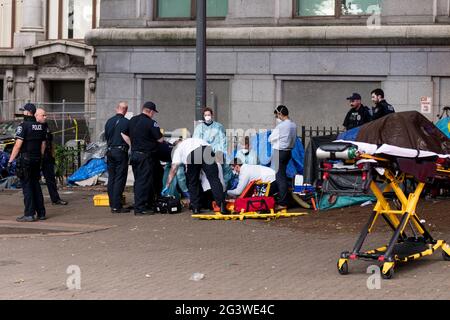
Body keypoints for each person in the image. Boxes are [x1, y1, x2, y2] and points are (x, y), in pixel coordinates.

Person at [162, 138, 226, 214]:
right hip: (206, 150)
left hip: (192, 155)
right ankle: (221, 206)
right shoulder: (194, 139)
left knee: (193, 182)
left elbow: (173, 169)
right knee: (214, 179)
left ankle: (196, 207)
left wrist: (167, 185)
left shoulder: (178, 150)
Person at [6, 103, 46, 222]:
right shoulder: (40, 126)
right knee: (36, 185)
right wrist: (40, 157)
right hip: (36, 159)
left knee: (27, 187)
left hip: (26, 160)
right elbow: (43, 144)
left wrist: (10, 160)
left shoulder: (23, 126)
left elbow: (18, 146)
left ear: (28, 112)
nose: (22, 113)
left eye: (24, 111)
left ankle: (29, 214)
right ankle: (41, 213)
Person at [129, 101, 164, 215]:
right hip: (145, 156)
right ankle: (140, 208)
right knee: (144, 182)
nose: (154, 114)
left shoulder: (132, 120)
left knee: (138, 180)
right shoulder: (151, 123)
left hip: (134, 154)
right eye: (154, 112)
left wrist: (133, 144)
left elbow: (123, 134)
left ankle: (140, 204)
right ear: (151, 111)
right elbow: (160, 139)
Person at [34, 108, 68, 206]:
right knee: (35, 180)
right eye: (43, 115)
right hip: (36, 156)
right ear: (36, 116)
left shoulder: (45, 126)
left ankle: (55, 199)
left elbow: (50, 141)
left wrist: (52, 155)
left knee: (51, 179)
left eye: (45, 115)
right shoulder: (33, 126)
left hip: (47, 156)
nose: (45, 117)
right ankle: (35, 200)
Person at [268, 105, 297, 210]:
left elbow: (270, 138)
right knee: (282, 175)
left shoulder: (281, 126)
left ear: (280, 114)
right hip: (288, 151)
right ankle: (280, 199)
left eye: (277, 115)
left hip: (279, 152)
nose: (277, 117)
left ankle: (282, 202)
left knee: (280, 177)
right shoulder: (293, 125)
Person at [104, 101, 131, 213]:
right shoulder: (127, 122)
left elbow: (106, 136)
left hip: (110, 151)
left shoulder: (109, 121)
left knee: (112, 178)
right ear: (125, 110)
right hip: (120, 152)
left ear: (117, 108)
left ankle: (112, 203)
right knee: (120, 178)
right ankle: (116, 206)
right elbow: (128, 137)